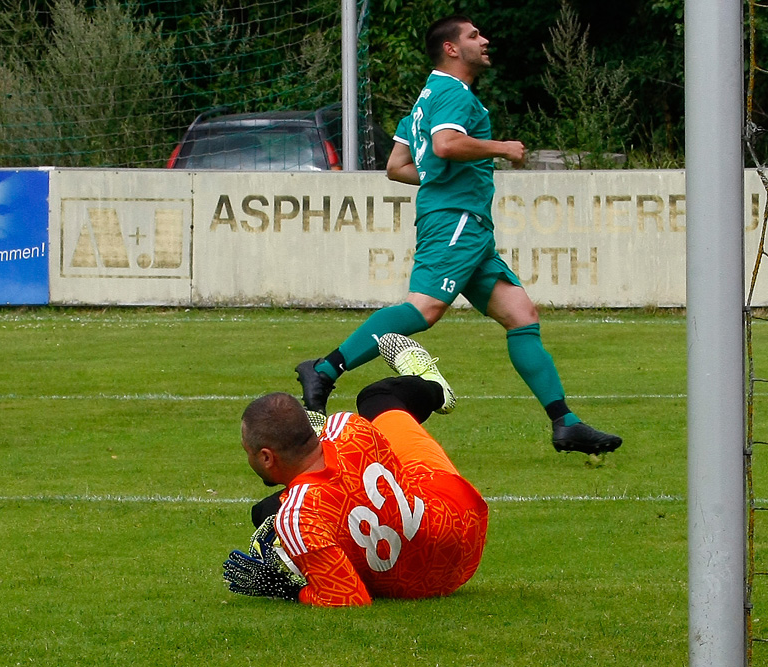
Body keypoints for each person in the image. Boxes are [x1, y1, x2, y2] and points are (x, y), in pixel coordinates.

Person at [294, 15, 621, 457]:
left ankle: (565, 423)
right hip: (457, 221)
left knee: (521, 315)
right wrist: (502, 148)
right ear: (451, 49)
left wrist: (437, 181)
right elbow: (446, 145)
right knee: (423, 308)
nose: (484, 41)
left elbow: (397, 165)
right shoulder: (452, 92)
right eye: (473, 36)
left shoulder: (426, 98)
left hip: (468, 226)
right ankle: (325, 369)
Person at [224, 334, 487, 607]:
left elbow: (350, 598)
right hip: (462, 522)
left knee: (271, 514)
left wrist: (287, 590)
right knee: (378, 398)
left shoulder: (296, 518)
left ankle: (436, 388)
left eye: (248, 451)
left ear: (267, 457)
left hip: (420, 584)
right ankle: (431, 387)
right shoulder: (349, 428)